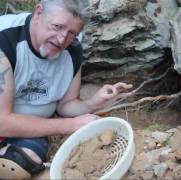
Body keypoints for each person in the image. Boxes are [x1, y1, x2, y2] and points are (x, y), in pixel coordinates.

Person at [0, 0, 133, 179]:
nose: (62, 39)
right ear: (38, 12)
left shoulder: (73, 48)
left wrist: (93, 103)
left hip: (30, 130)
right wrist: (69, 126)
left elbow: (66, 105)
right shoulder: (5, 40)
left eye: (71, 33)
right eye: (57, 26)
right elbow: (2, 123)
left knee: (22, 162)